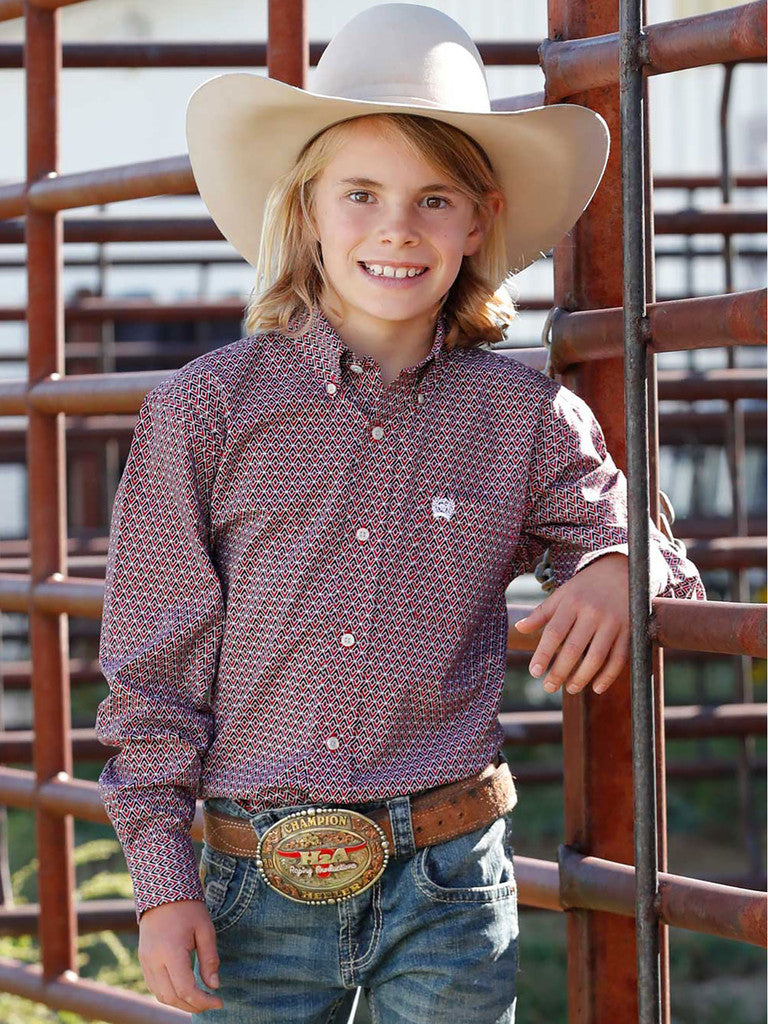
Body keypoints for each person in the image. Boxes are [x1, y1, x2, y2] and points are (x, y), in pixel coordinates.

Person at [94, 5, 706, 1022]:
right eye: (361, 195)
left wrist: (614, 565)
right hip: (253, 881)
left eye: (433, 199)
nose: (396, 228)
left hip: (447, 881)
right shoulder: (205, 408)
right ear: (306, 211)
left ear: (478, 222)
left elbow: (632, 539)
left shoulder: (526, 418)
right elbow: (153, 673)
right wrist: (163, 882)